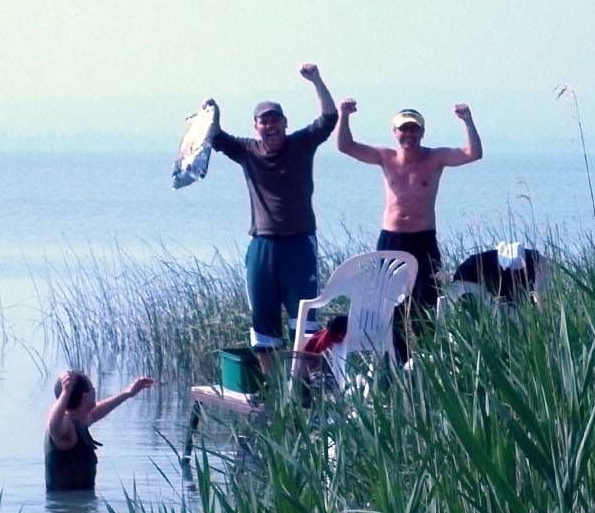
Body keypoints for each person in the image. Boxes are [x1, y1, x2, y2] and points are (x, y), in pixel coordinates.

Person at [203, 63, 339, 355]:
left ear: (285, 123)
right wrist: (211, 114)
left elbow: (330, 118)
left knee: (305, 323)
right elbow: (215, 138)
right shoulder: (247, 150)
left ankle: (304, 389)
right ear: (256, 127)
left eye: (275, 120)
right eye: (264, 122)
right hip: (262, 243)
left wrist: (316, 80)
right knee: (263, 325)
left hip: (300, 243)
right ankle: (272, 391)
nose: (270, 126)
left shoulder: (301, 144)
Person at [335, 99, 483, 338]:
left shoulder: (435, 158)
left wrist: (467, 120)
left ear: (422, 132)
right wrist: (344, 114)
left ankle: (423, 356)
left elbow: (473, 153)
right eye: (403, 129)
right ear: (395, 133)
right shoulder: (386, 157)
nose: (409, 134)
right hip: (392, 240)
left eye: (414, 129)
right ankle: (391, 356)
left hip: (423, 241)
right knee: (387, 301)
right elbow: (345, 146)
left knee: (426, 300)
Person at [44, 369, 152, 493]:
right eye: (92, 388)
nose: (95, 390)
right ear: (85, 397)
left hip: (82, 505)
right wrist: (65, 394)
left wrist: (128, 393)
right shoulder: (66, 427)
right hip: (64, 508)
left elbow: (94, 414)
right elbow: (54, 426)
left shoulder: (79, 420)